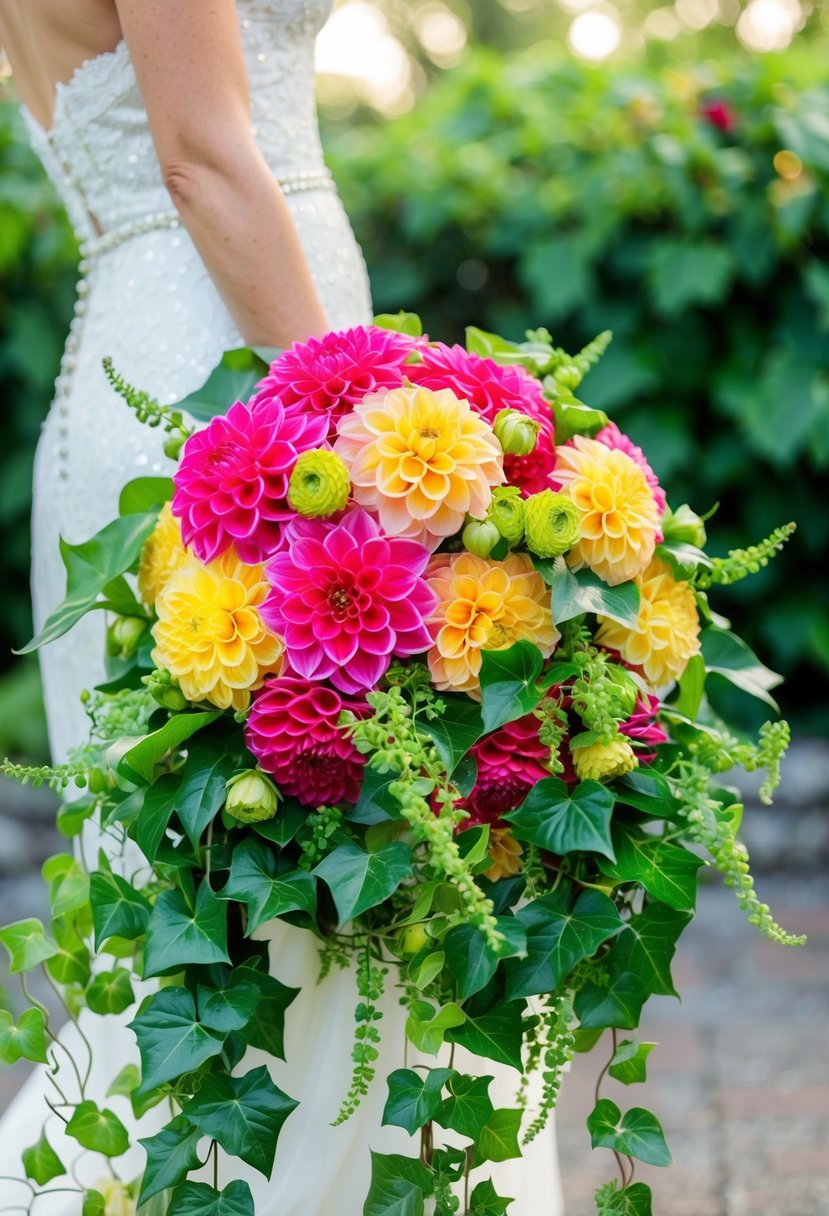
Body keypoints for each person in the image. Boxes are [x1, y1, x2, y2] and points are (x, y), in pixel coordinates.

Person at [0, 2, 564, 1211]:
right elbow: (202, 159)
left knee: (227, 904)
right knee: (277, 894)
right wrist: (364, 426)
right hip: (233, 391)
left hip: (169, 346)